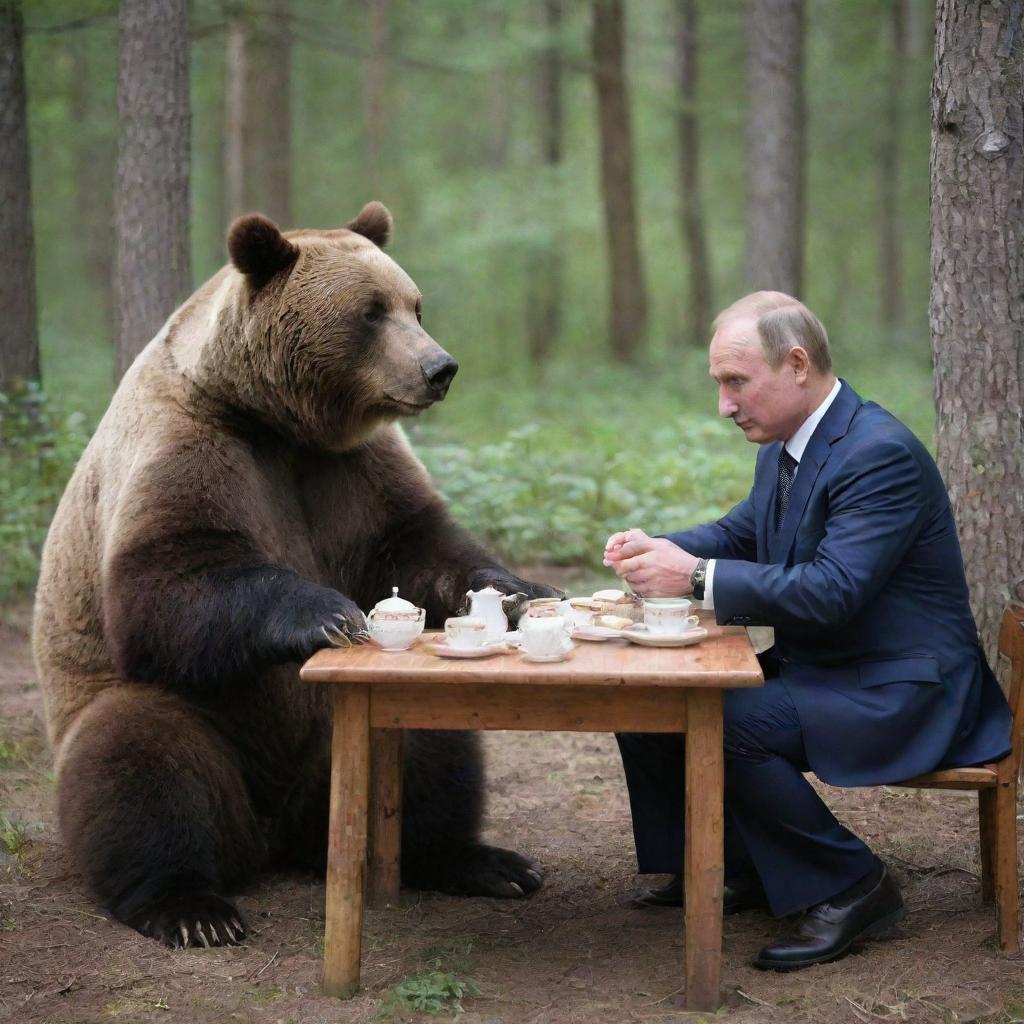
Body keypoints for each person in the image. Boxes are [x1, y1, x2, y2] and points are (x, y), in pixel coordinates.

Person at [603, 291, 1012, 971]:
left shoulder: (877, 453)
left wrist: (696, 577)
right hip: (838, 670)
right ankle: (722, 866)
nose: (725, 405)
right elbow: (743, 534)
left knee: (726, 722)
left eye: (737, 383)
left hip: (903, 689)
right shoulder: (792, 440)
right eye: (720, 385)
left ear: (796, 364)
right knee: (647, 700)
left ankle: (852, 885)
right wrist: (659, 547)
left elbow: (833, 591)